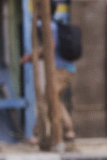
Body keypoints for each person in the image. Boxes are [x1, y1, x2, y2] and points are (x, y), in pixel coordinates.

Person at [20, 0, 77, 143]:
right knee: (56, 99)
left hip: (60, 70)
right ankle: (68, 130)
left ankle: (39, 134)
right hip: (67, 69)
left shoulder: (46, 26)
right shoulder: (56, 25)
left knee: (47, 99)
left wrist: (32, 56)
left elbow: (49, 46)